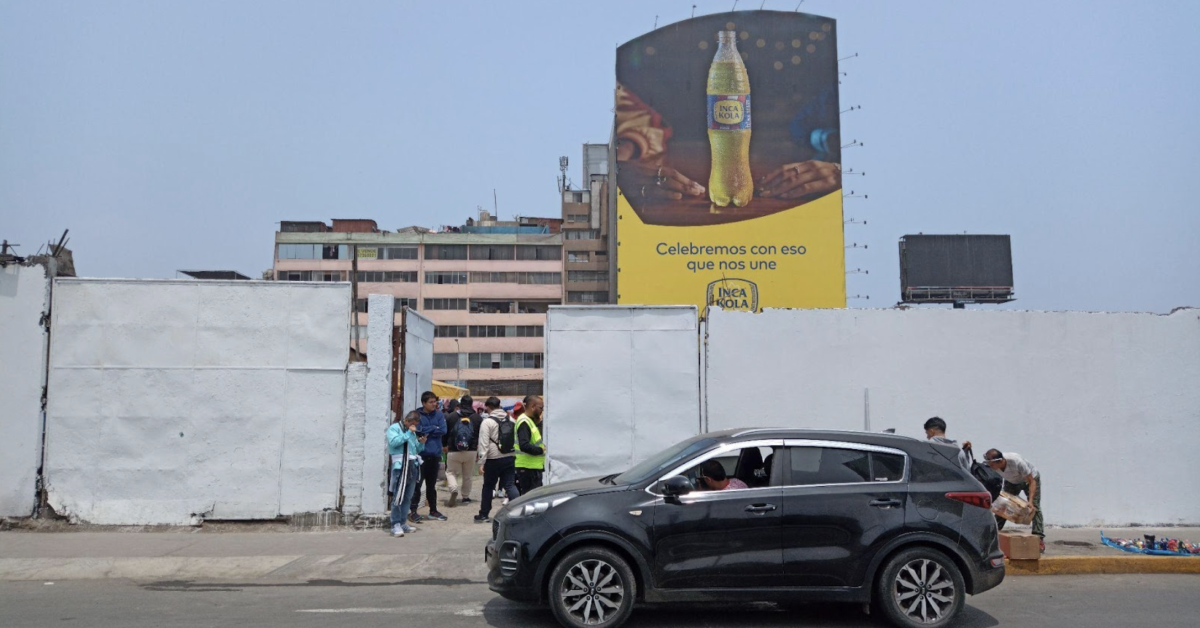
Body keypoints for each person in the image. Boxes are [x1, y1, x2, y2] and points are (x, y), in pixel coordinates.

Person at [983, 449, 1045, 552]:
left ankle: (1039, 539)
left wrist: (1030, 501)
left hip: (1029, 480)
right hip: (1012, 481)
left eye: (991, 463)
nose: (989, 465)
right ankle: (993, 535)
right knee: (1003, 506)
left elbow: (1031, 481)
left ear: (999, 461)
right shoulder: (992, 465)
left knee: (1034, 507)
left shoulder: (1016, 461)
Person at [474, 397, 519, 523]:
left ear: (488, 407)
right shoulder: (510, 419)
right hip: (509, 456)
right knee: (510, 485)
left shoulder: (487, 422)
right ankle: (518, 511)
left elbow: (483, 443)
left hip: (493, 458)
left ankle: (484, 514)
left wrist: (481, 461)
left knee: (488, 486)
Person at [385, 411, 423, 537]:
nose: (413, 426)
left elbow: (415, 448)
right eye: (412, 424)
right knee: (398, 495)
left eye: (415, 424)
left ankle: (402, 522)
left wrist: (422, 442)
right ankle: (395, 524)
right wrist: (408, 433)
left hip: (412, 465)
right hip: (400, 466)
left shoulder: (411, 432)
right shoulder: (394, 428)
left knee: (408, 496)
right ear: (407, 421)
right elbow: (393, 443)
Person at [415, 391, 448, 522]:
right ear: (424, 403)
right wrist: (434, 428)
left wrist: (428, 429)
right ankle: (413, 511)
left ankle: (433, 510)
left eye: (435, 401)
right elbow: (418, 430)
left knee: (431, 486)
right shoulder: (417, 415)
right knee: (417, 485)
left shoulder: (439, 415)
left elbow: (443, 430)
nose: (434, 404)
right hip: (420, 456)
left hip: (434, 455)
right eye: (431, 402)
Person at [444, 395, 481, 507]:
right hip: (471, 450)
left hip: (453, 450)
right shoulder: (477, 418)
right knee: (468, 475)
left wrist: (444, 445)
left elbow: (445, 433)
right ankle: (465, 497)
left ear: (459, 405)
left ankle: (454, 488)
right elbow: (480, 435)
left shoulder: (451, 416)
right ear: (471, 404)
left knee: (451, 472)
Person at [514, 395, 546, 496]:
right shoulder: (524, 422)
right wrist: (540, 450)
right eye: (541, 408)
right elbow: (524, 445)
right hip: (528, 468)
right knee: (531, 500)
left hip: (531, 467)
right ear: (533, 406)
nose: (542, 411)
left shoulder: (529, 421)